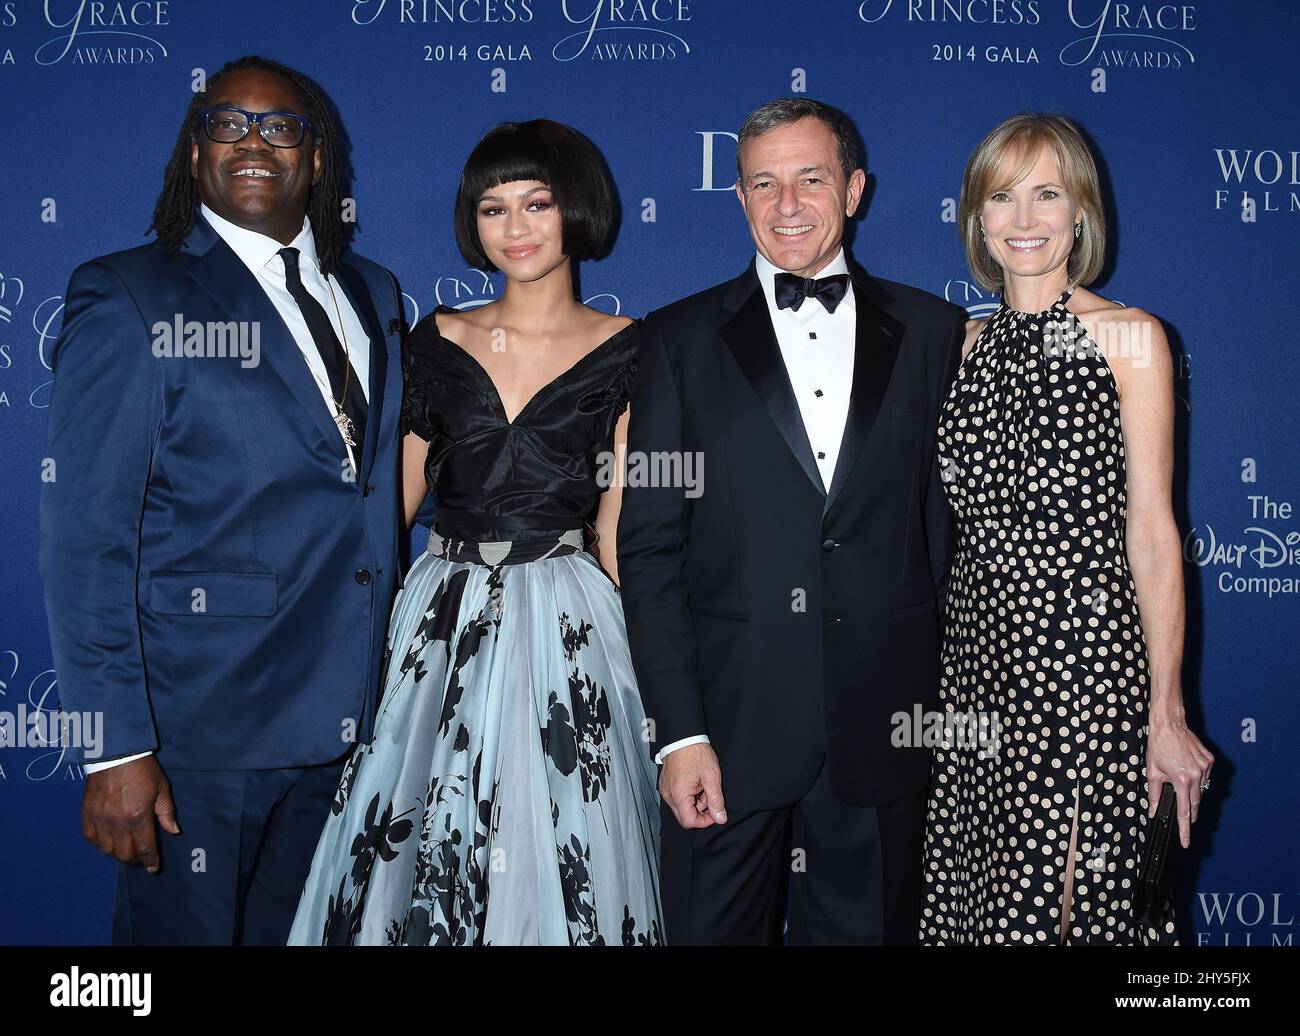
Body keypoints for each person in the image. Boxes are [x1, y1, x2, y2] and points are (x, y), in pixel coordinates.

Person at [39, 55, 406, 944]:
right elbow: (87, 538)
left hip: (352, 722)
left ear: (316, 159)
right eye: (226, 121)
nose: (252, 140)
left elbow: (372, 485)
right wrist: (117, 746)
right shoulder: (130, 293)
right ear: (193, 150)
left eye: (279, 125)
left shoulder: (376, 293)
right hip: (198, 737)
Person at [288, 119, 663, 946]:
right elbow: (390, 513)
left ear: (580, 211)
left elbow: (616, 531)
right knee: (410, 833)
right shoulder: (438, 338)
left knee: (558, 834)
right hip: (438, 613)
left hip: (568, 618)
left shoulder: (633, 349)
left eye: (538, 203)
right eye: (494, 208)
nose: (516, 227)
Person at [616, 98, 966, 945]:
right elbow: (649, 550)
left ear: (854, 189)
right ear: (738, 199)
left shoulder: (937, 332)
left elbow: (951, 539)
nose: (786, 205)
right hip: (726, 730)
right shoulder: (675, 339)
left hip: (884, 728)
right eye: (763, 183)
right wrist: (679, 736)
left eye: (810, 179)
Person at [919, 113, 1215, 945]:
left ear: (1081, 213)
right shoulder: (961, 347)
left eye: (1047, 194)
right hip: (975, 663)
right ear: (976, 216)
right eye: (1002, 196)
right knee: (981, 902)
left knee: (1070, 911)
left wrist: (1166, 712)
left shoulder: (1129, 338)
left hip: (1085, 667)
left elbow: (1154, 533)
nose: (1023, 219)